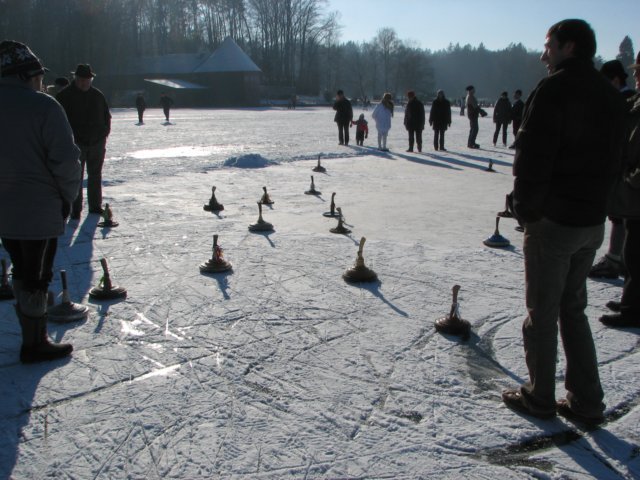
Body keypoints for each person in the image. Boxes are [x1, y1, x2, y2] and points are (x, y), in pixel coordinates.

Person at [501, 19, 626, 426]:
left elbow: (533, 156)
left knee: (543, 310)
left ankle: (540, 396)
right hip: (590, 223)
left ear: (569, 46)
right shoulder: (610, 96)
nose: (543, 54)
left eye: (548, 45)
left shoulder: (555, 89)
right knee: (573, 309)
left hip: (554, 221)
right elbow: (618, 161)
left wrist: (526, 209)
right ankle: (587, 400)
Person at [0, 40, 81, 363]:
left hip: (4, 210)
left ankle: (30, 335)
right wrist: (67, 197)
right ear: (26, 75)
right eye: (37, 75)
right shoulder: (44, 106)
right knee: (38, 274)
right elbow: (66, 160)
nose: (41, 82)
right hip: (38, 206)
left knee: (21, 268)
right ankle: (35, 343)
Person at [599, 53, 640, 328]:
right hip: (631, 194)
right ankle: (631, 299)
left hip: (635, 190)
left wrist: (632, 180)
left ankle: (633, 309)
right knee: (632, 251)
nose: (636, 75)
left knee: (637, 254)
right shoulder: (635, 102)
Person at [588, 59, 637, 279]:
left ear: (615, 80)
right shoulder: (629, 100)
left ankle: (616, 261)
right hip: (622, 170)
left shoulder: (625, 101)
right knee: (621, 218)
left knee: (622, 218)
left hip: (627, 173)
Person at [56, 64, 111, 219]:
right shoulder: (64, 96)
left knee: (95, 175)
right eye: (81, 80)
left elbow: (107, 117)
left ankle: (95, 206)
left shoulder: (98, 96)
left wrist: (104, 134)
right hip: (75, 144)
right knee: (75, 177)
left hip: (97, 143)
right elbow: (57, 122)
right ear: (76, 79)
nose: (84, 83)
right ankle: (75, 209)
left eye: (87, 80)